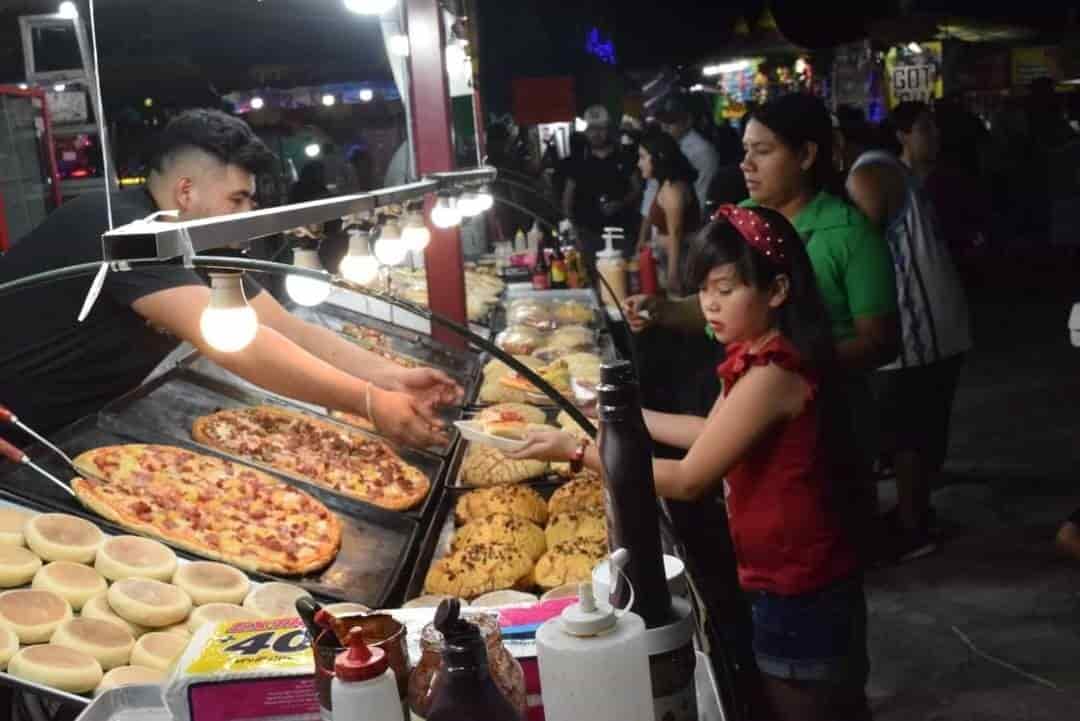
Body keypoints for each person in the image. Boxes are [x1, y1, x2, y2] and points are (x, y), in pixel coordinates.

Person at [511, 206, 872, 721]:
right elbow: (710, 436)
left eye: (726, 290)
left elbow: (687, 478)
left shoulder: (774, 374)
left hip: (803, 591)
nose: (709, 305)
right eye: (704, 290)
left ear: (777, 291)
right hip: (785, 580)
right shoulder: (756, 356)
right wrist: (619, 418)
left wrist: (574, 453)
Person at [0, 109, 459, 450]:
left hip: (68, 434)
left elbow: (284, 329)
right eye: (238, 199)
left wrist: (391, 377)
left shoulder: (201, 242)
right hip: (17, 435)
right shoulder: (128, 232)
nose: (248, 215)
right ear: (186, 191)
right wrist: (368, 402)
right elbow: (239, 345)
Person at [847, 101, 972, 562]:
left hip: (917, 328)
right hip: (937, 323)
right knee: (918, 429)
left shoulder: (870, 174)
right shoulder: (890, 169)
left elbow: (861, 247)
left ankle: (911, 528)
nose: (933, 136)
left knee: (907, 434)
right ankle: (914, 515)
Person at [562, 105, 640, 259]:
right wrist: (574, 234)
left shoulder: (624, 157)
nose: (596, 134)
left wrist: (622, 203)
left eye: (601, 129)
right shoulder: (578, 161)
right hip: (589, 236)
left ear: (608, 130)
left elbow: (637, 189)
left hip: (621, 234)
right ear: (586, 132)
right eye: (592, 129)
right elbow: (567, 201)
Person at [636, 128, 701, 294]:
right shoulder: (666, 184)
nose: (639, 163)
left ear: (658, 157)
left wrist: (673, 275)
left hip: (681, 264)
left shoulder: (673, 190)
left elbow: (676, 234)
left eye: (643, 157)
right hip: (673, 259)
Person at [655, 92, 720, 213]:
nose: (664, 128)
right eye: (662, 122)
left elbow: (702, 194)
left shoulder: (701, 151)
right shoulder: (672, 144)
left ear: (688, 121)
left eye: (671, 122)